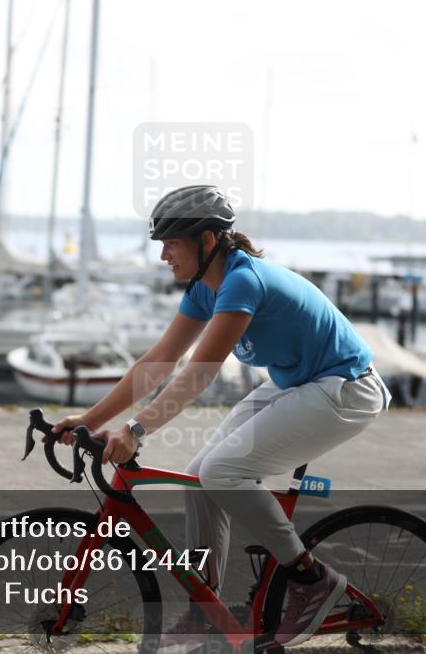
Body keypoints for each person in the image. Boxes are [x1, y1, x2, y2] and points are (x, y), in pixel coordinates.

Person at [51, 185, 389, 647]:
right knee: (200, 476)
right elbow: (160, 362)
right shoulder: (204, 290)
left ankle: (310, 580)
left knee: (221, 470)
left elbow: (197, 377)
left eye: (172, 243)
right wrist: (89, 420)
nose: (164, 254)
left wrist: (134, 429)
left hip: (346, 388)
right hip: (300, 383)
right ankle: (204, 608)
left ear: (207, 241)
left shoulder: (242, 281)